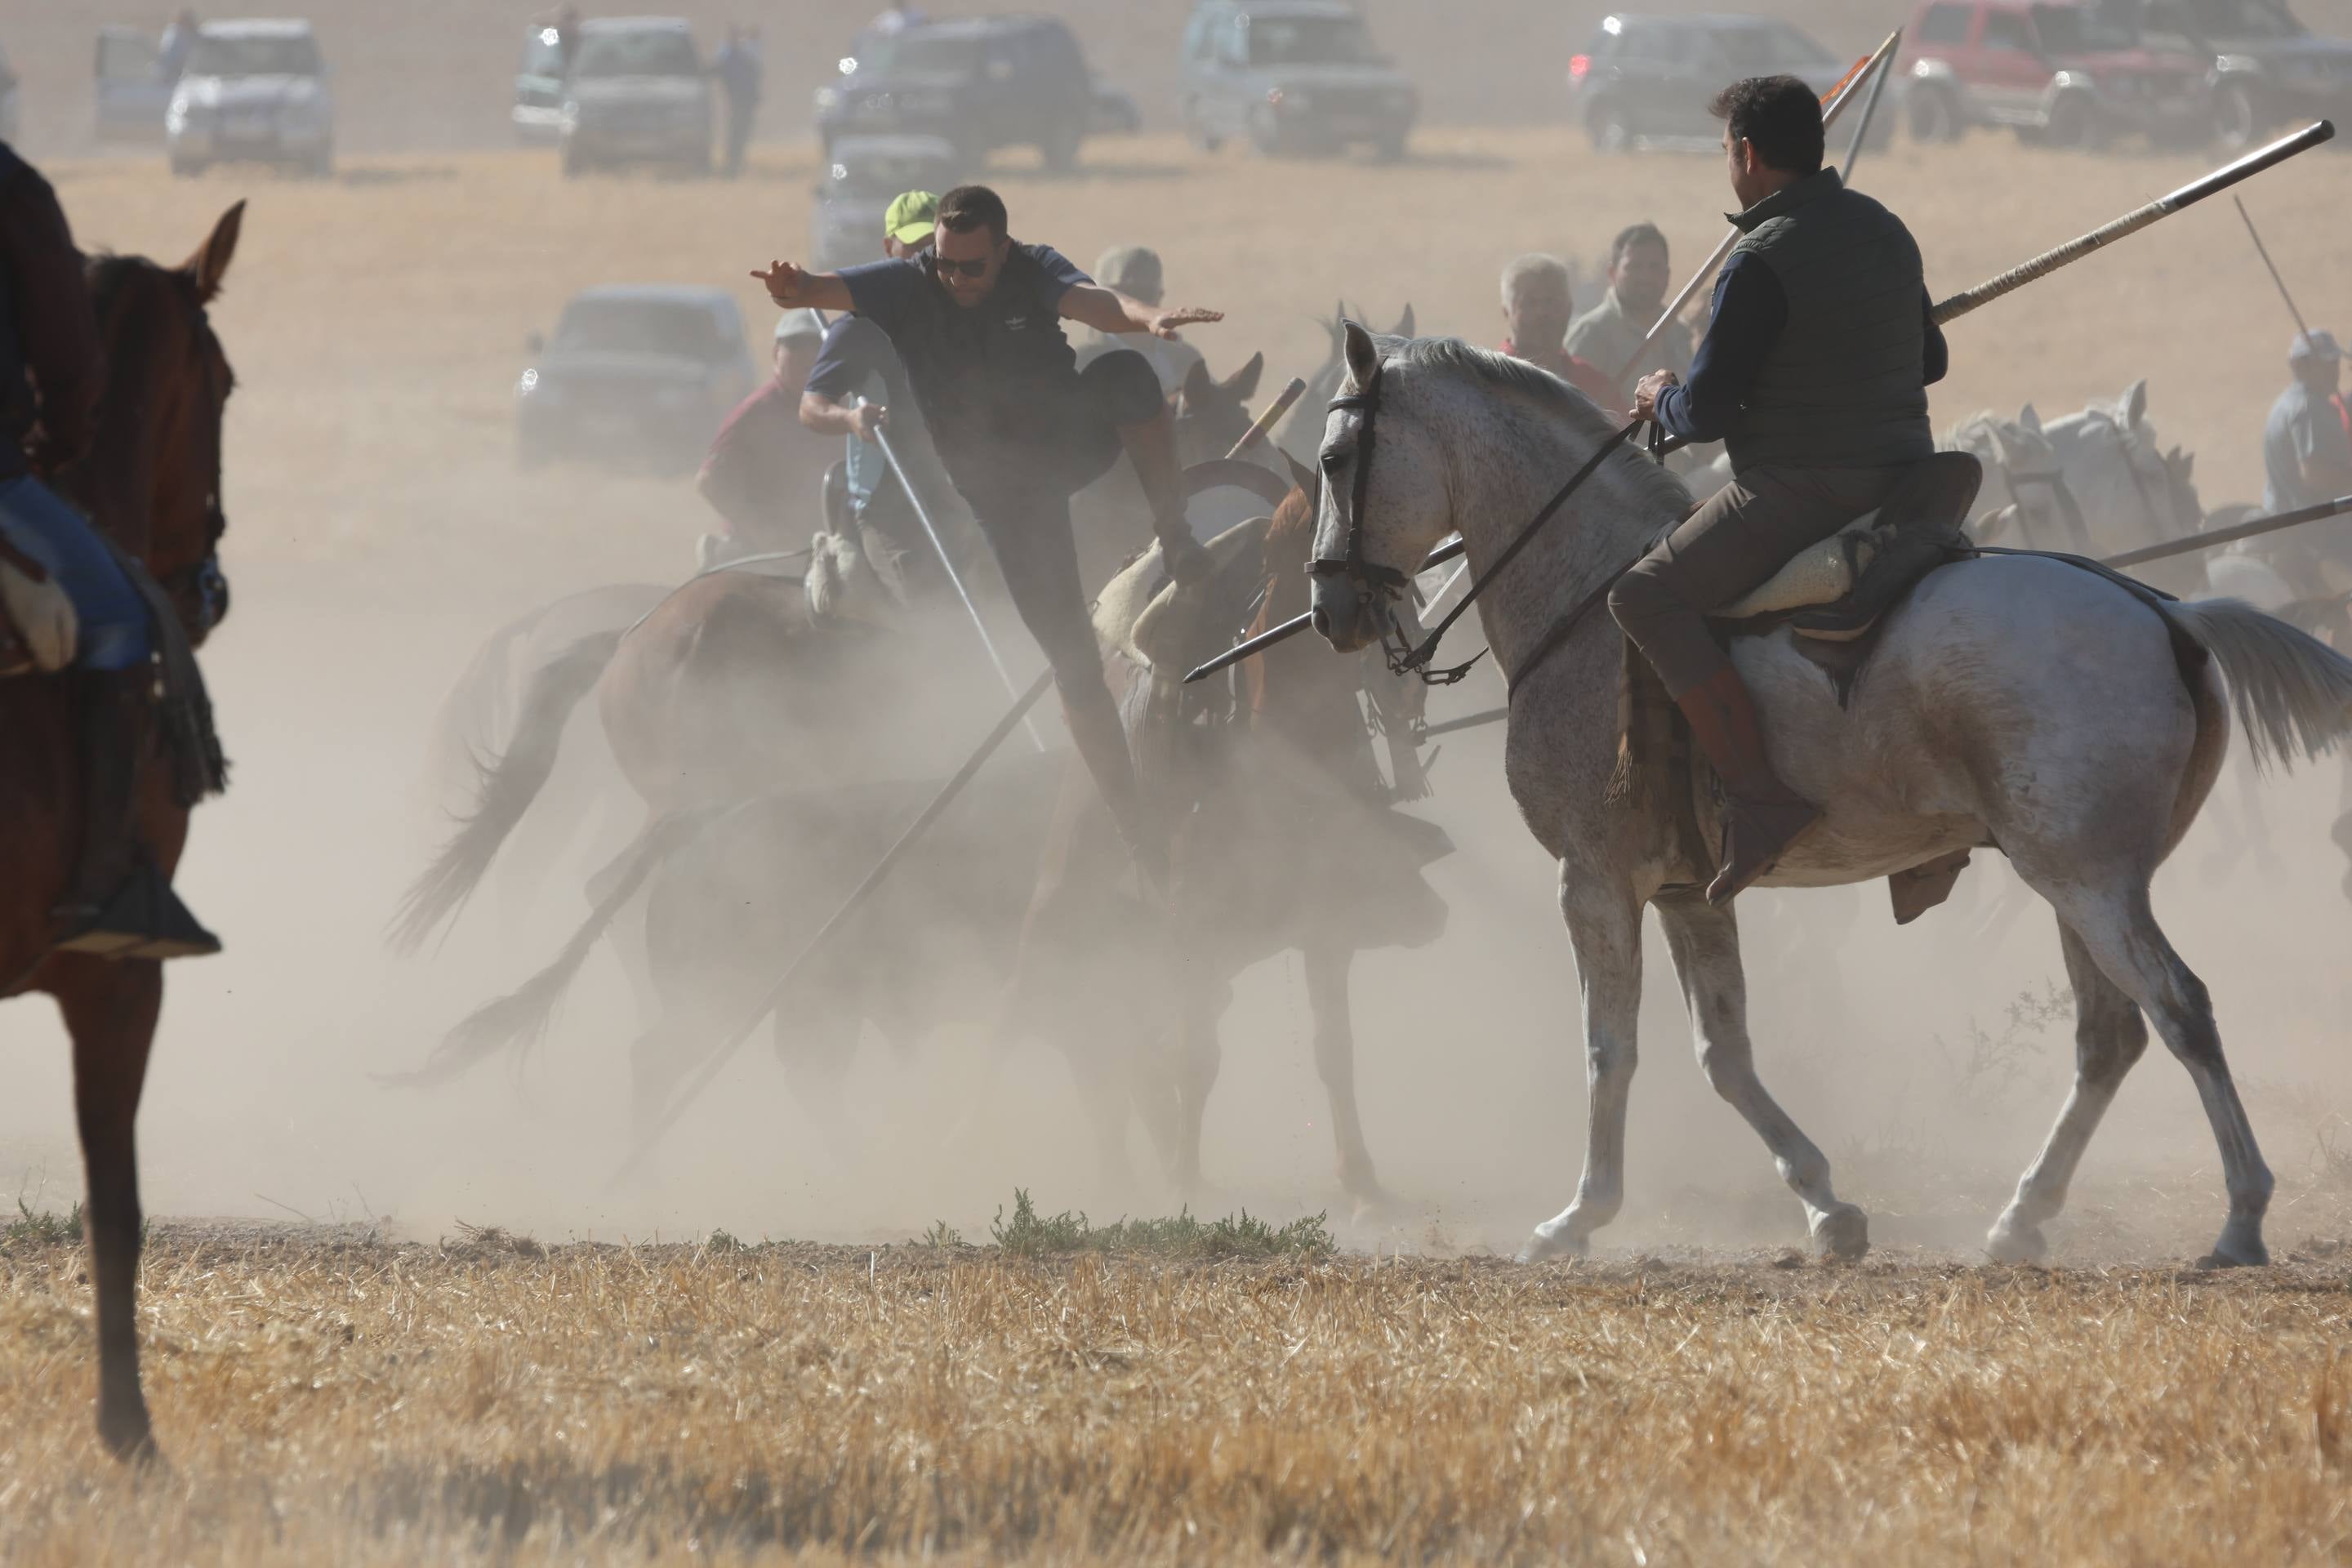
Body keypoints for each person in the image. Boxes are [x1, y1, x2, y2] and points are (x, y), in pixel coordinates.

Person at [751, 183, 1223, 878]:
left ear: (1002, 250)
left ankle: (1175, 531)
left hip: (1067, 439)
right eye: (945, 264)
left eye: (973, 266)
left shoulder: (1032, 267)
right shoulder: (908, 285)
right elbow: (824, 290)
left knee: (1126, 372)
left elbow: (1097, 304)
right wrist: (795, 289)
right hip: (1008, 494)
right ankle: (1134, 827)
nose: (956, 279)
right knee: (1073, 665)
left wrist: (1149, 318)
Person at [1607, 76, 1949, 904]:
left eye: (1728, 150)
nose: (1729, 163)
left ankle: (1759, 798)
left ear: (1748, 155)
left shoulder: (1759, 258)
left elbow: (1711, 411)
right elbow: (1931, 361)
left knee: (1644, 596)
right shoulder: (1885, 229)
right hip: (1908, 476)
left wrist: (1659, 397)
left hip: (1807, 487)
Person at [0, 140, 216, 957]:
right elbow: (69, 360)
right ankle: (107, 891)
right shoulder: (13, 194)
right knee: (124, 621)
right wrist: (55, 442)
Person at [798, 190, 972, 575]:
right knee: (928, 605)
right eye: (914, 247)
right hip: (889, 507)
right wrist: (851, 420)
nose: (926, 260)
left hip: (962, 494)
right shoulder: (860, 323)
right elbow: (811, 408)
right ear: (889, 247)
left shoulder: (970, 312)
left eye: (934, 247)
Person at [693, 307, 835, 565]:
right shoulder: (756, 414)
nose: (808, 354)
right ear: (776, 354)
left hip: (821, 544)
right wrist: (766, 534)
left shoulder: (839, 409)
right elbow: (710, 480)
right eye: (795, 345)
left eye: (816, 345)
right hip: (759, 551)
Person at [1566, 221, 1690, 393]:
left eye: (1654, 267)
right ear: (1612, 273)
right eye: (1634, 267)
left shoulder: (1680, 334)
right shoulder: (1590, 334)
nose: (1645, 277)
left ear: (1667, 274)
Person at [1074, 246, 1204, 394]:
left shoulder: (1184, 357)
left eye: (1143, 293)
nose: (1132, 303)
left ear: (1159, 297)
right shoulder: (1086, 361)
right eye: (1121, 294)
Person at [1496, 254, 1617, 406]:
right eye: (1530, 302)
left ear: (1569, 308)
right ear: (1506, 312)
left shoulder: (1593, 385)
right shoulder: (1489, 384)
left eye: (1551, 301)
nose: (1542, 312)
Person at [2262, 330, 2352, 514]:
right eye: (2325, 364)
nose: (2334, 372)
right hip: (2309, 524)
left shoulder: (2286, 402)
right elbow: (2314, 474)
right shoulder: (2309, 408)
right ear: (2300, 366)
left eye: (2334, 363)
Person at [710, 24, 763, 180]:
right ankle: (733, 164)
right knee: (737, 134)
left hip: (740, 102)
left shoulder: (733, 55)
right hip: (740, 102)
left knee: (737, 134)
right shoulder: (742, 56)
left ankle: (733, 164)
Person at [159, 10, 201, 82]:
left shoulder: (194, 35)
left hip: (191, 71)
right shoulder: (174, 33)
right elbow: (168, 52)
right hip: (173, 69)